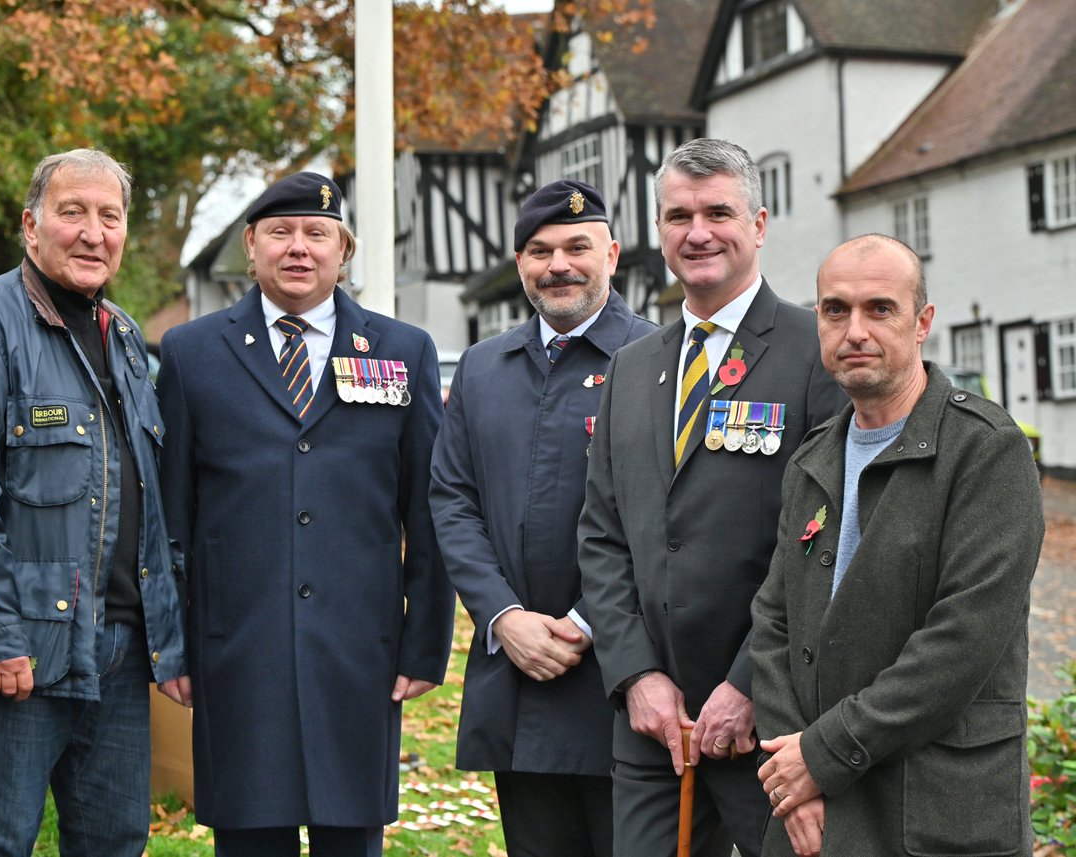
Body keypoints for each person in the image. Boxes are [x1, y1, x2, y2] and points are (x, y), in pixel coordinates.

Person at [157, 171, 454, 857]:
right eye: (281, 232)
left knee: (351, 838)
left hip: (360, 650)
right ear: (251, 244)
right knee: (250, 839)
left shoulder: (401, 351)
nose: (300, 248)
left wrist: (425, 642)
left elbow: (429, 511)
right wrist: (173, 642)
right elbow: (172, 514)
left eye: (317, 233)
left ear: (343, 249)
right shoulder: (191, 353)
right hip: (236, 648)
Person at [0, 148, 191, 856]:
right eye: (73, 213)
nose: (94, 232)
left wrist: (169, 639)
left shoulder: (125, 337)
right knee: (0, 842)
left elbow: (147, 503)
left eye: (110, 216)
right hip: (21, 657)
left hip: (121, 658)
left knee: (115, 842)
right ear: (31, 227)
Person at [577, 138, 846, 857]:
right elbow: (602, 536)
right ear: (658, 232)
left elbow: (828, 540)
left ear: (758, 224)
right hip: (655, 729)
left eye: (718, 211)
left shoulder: (814, 353)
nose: (698, 232)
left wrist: (749, 678)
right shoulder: (631, 369)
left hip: (775, 722)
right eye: (678, 216)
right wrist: (635, 674)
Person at [751, 234, 1045, 857]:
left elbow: (963, 640)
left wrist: (819, 757)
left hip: (937, 811)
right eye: (835, 310)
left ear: (922, 323)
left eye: (879, 308)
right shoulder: (813, 457)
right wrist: (791, 775)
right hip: (812, 809)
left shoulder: (986, 450)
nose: (855, 329)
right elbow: (773, 622)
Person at [430, 179, 656, 857]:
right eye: (540, 249)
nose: (558, 263)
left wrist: (586, 621)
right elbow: (451, 497)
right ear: (521, 262)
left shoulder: (657, 362)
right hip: (515, 674)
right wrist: (503, 616)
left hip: (627, 674)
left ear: (611, 253)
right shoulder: (481, 368)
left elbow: (672, 517)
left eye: (577, 246)